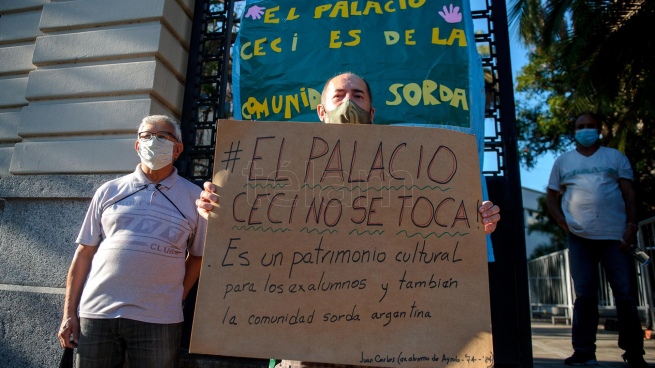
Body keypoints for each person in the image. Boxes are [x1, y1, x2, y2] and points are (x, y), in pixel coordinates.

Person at [196, 73, 501, 368]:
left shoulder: (409, 169)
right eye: (339, 95)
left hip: (386, 341)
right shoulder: (283, 168)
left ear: (372, 111)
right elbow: (255, 240)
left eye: (357, 95)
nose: (348, 102)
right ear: (321, 110)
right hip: (302, 339)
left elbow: (435, 239)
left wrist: (475, 223)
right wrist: (218, 209)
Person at [57, 115, 207, 368]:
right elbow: (84, 253)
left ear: (177, 148)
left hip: (160, 319)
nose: (152, 141)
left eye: (162, 136)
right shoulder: (109, 190)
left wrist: (178, 295)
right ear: (137, 146)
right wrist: (68, 314)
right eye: (146, 136)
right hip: (97, 314)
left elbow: (199, 256)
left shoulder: (195, 197)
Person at [546, 113, 647, 368]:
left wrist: (631, 227)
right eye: (581, 126)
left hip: (615, 236)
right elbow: (551, 196)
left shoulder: (615, 157)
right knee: (585, 296)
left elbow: (629, 194)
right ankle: (584, 352)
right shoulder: (563, 161)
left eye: (590, 126)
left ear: (599, 130)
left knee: (625, 295)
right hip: (580, 238)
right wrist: (562, 222)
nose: (586, 130)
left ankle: (634, 353)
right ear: (574, 131)